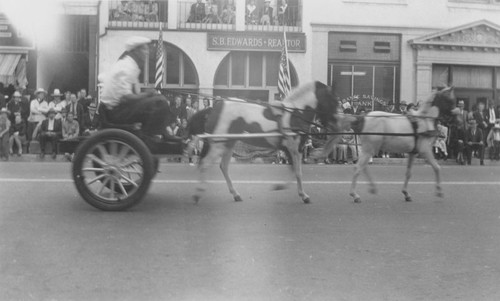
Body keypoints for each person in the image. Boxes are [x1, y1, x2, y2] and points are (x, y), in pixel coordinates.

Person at [100, 36, 174, 141]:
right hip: (116, 113)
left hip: (115, 110)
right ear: (136, 51)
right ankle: (148, 136)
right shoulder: (127, 67)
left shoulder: (128, 64)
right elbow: (125, 98)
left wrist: (147, 95)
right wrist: (148, 94)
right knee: (160, 102)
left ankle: (159, 132)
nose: (147, 52)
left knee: (157, 99)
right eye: (144, 49)